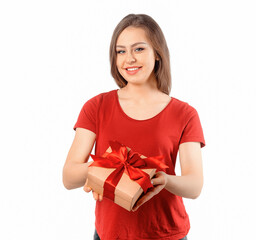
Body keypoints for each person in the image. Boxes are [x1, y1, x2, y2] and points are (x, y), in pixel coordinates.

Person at [63, 13, 206, 240]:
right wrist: (109, 166)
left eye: (138, 49)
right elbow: (69, 177)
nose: (128, 59)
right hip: (110, 234)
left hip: (167, 235)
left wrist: (164, 179)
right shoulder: (96, 107)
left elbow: (194, 185)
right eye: (121, 51)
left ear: (157, 53)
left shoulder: (185, 114)